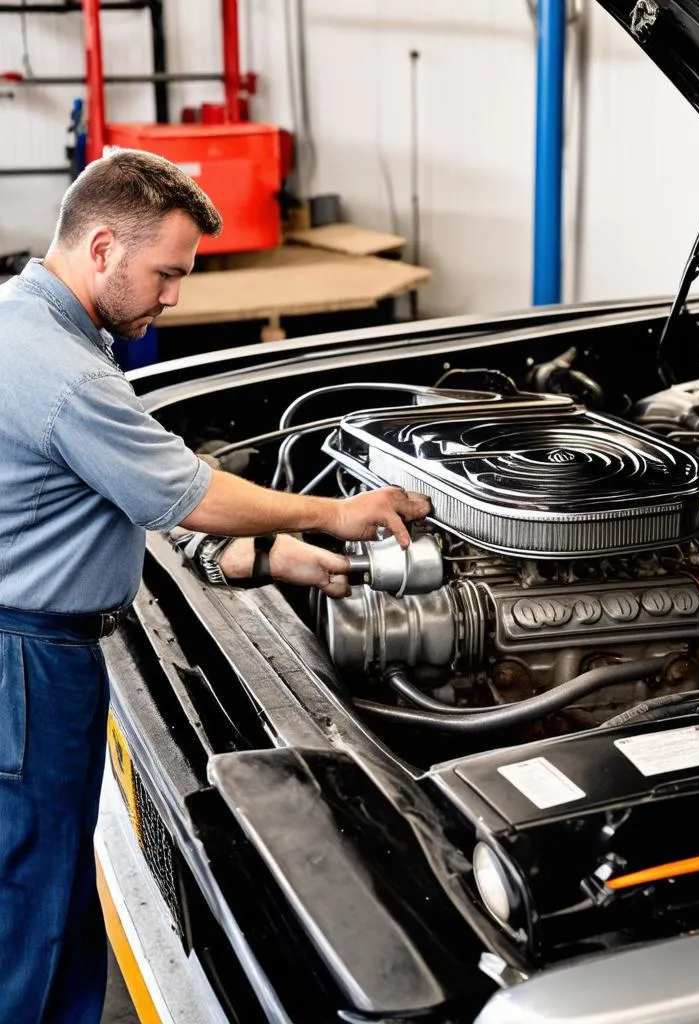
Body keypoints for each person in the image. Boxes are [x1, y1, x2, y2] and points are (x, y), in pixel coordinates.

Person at [0, 148, 429, 1024]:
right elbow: (179, 493)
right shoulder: (65, 371)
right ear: (105, 246)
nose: (174, 297)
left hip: (34, 648)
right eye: (166, 273)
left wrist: (261, 558)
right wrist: (329, 516)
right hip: (28, 666)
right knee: (31, 914)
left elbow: (94, 506)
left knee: (46, 895)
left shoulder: (29, 323)